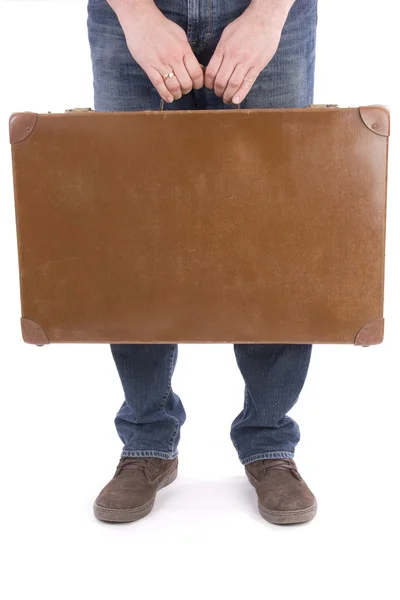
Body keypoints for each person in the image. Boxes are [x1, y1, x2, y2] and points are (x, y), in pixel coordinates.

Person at [88, 0, 318, 525]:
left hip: (270, 11)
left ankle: (269, 441)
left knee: (274, 231)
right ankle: (147, 439)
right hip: (131, 13)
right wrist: (138, 17)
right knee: (134, 230)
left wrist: (267, 15)